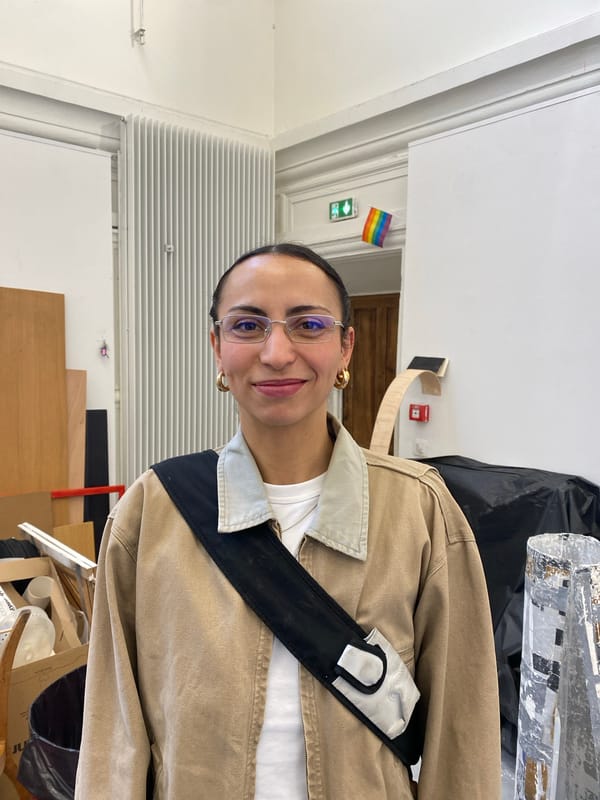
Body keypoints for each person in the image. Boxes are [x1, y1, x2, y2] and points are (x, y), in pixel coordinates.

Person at [75, 242, 501, 799]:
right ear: (217, 347)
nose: (277, 353)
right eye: (248, 325)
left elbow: (461, 734)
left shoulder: (419, 511)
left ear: (345, 347)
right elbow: (113, 732)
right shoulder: (151, 512)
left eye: (309, 325)